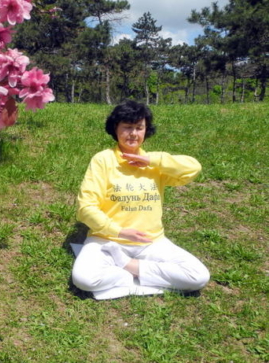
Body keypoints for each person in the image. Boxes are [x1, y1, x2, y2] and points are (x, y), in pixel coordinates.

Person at [72, 100, 209, 300]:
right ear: (115, 129)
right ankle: (133, 275)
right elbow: (86, 208)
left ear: (146, 130)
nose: (134, 134)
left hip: (150, 241)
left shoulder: (155, 164)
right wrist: (118, 231)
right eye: (127, 127)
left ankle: (129, 267)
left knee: (198, 276)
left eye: (139, 128)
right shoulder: (103, 160)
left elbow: (193, 168)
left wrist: (153, 160)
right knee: (83, 279)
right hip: (107, 240)